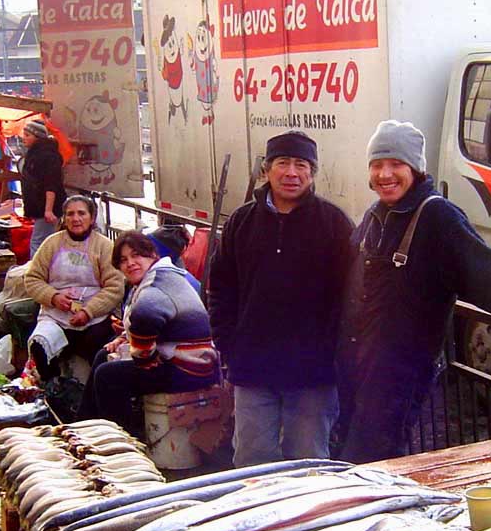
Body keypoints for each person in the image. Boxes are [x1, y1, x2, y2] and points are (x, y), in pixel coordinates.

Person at [336, 120, 491, 463]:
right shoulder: (377, 214)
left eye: (396, 164)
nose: (385, 174)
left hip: (397, 375)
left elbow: (489, 275)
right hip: (358, 364)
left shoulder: (437, 217)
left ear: (416, 168)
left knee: (371, 463)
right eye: (378, 165)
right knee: (346, 454)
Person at [208, 130, 354, 467]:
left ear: (313, 172)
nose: (292, 172)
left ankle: (314, 520)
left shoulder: (334, 223)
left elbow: (351, 297)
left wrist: (335, 353)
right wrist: (228, 344)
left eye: (301, 164)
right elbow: (221, 288)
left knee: (309, 462)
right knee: (251, 460)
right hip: (253, 368)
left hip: (312, 372)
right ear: (267, 170)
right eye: (283, 163)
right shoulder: (241, 222)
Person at [77, 231, 219, 436]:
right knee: (102, 355)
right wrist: (125, 341)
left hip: (192, 368)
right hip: (183, 356)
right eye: (124, 260)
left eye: (137, 256)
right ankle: (84, 424)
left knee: (107, 375)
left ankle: (125, 438)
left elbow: (144, 348)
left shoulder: (154, 289)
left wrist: (136, 354)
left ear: (152, 255)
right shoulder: (164, 275)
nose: (131, 263)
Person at [23, 194, 124, 382]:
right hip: (55, 315)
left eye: (81, 213)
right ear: (64, 218)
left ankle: (90, 395)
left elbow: (115, 287)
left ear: (92, 218)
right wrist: (53, 297)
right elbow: (32, 279)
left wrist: (88, 312)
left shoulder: (104, 246)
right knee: (39, 346)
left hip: (94, 318)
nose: (75, 219)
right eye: (70, 214)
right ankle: (52, 387)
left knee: (99, 351)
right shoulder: (52, 243)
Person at [20, 118, 67, 257]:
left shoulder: (48, 156)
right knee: (46, 241)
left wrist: (48, 210)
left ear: (37, 137)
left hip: (46, 209)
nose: (24, 138)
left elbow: (51, 184)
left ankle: (35, 273)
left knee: (38, 241)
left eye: (27, 135)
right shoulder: (34, 154)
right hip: (40, 208)